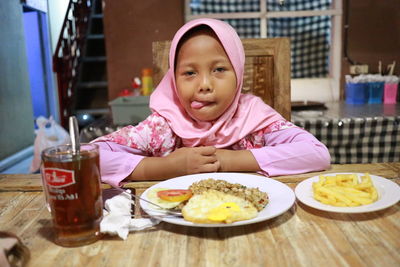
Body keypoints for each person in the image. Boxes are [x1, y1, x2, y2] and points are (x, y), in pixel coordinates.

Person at [92, 18, 330, 187]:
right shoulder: (164, 126)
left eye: (219, 69)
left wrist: (228, 160)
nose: (204, 84)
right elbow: (88, 157)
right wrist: (166, 168)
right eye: (189, 73)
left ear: (238, 75)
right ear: (173, 81)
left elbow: (316, 154)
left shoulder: (254, 118)